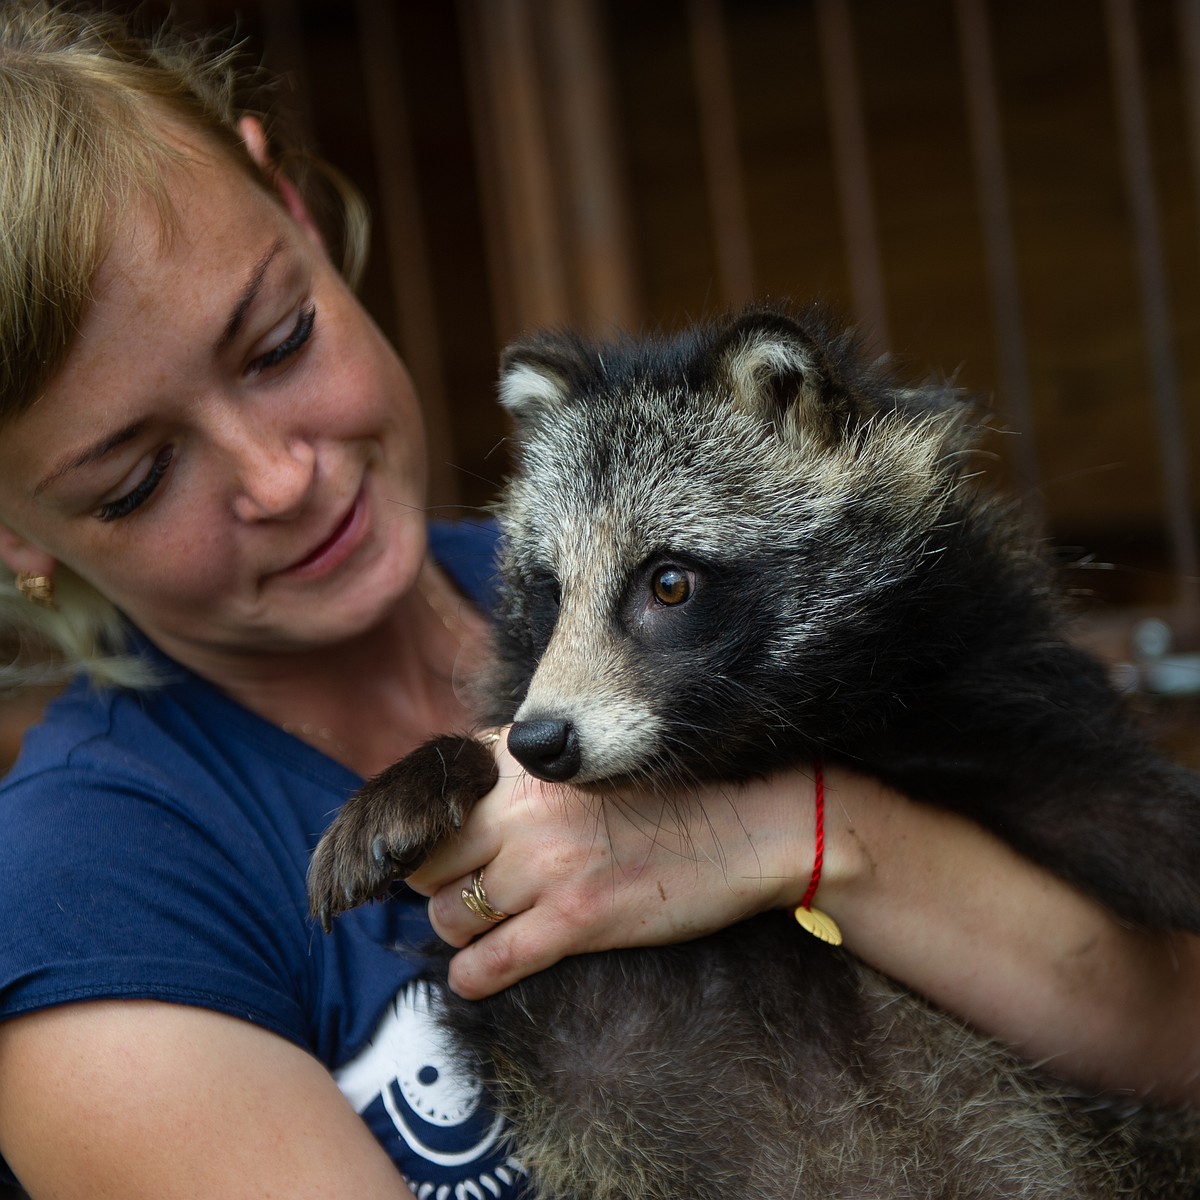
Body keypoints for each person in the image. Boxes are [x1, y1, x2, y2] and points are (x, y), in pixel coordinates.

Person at [0, 3, 1196, 1197]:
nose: (280, 477)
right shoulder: (91, 894)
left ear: (296, 207)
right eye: (140, 479)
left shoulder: (644, 554)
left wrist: (814, 841)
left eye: (278, 343)